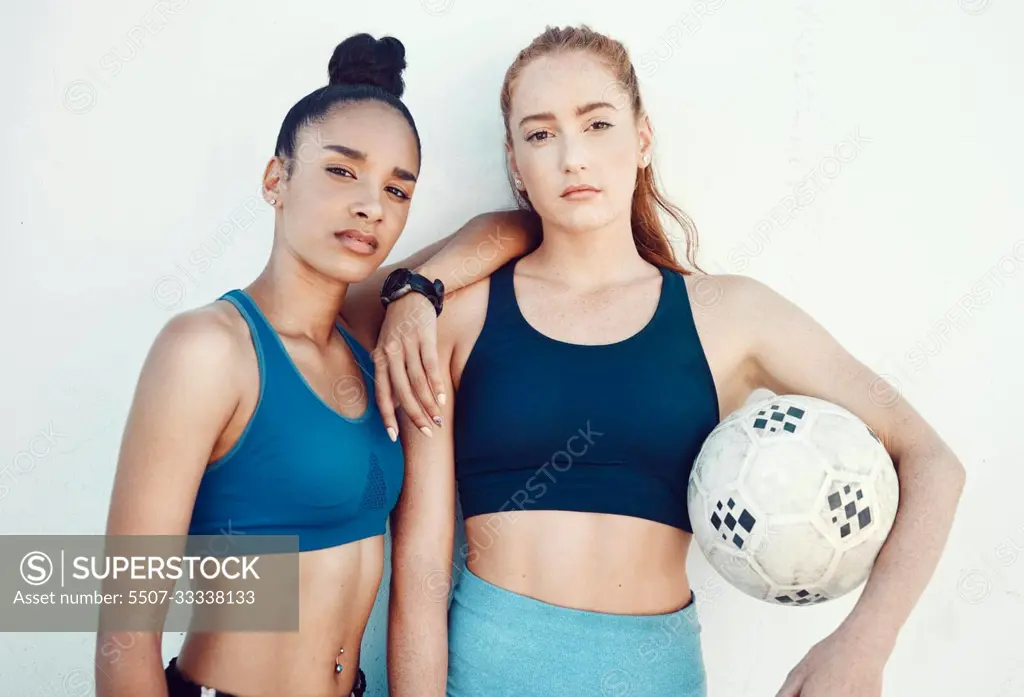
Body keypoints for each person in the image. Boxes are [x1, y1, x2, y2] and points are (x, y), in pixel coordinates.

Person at [386, 25, 966, 697]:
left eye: (597, 123)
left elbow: (932, 460)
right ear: (515, 162)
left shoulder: (731, 315)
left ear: (641, 138)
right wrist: (417, 289)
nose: (572, 157)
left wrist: (863, 643)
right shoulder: (458, 316)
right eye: (540, 134)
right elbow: (422, 565)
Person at [96, 33, 535, 697]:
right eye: (341, 170)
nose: (371, 205)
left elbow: (513, 228)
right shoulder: (208, 351)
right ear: (277, 179)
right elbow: (123, 641)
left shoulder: (363, 329)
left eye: (397, 189)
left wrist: (419, 291)